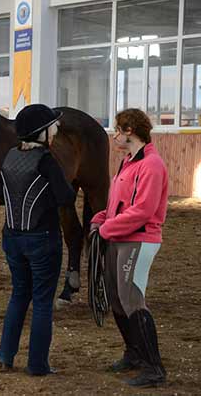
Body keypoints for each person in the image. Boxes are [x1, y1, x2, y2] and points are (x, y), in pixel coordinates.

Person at [91, 108, 168, 387]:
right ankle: (134, 353)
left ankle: (154, 367)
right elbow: (120, 203)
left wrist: (107, 229)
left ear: (130, 132)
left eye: (118, 130)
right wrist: (102, 218)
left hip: (138, 239)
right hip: (120, 237)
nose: (114, 135)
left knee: (132, 300)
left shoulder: (151, 165)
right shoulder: (128, 161)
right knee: (117, 297)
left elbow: (144, 210)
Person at [0, 104, 75, 375]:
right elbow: (66, 197)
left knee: (19, 295)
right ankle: (38, 364)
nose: (55, 131)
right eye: (52, 127)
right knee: (42, 302)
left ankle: (6, 356)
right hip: (42, 237)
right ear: (41, 132)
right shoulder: (46, 160)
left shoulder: (8, 156)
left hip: (12, 237)